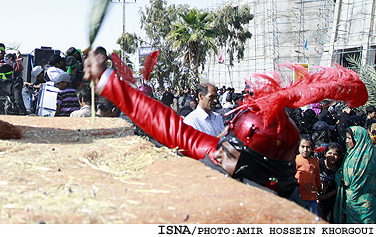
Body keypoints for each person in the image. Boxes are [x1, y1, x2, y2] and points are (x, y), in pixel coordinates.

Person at [83, 51, 368, 203]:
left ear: (258, 171)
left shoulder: (277, 211)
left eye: (230, 150)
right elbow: (168, 125)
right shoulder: (225, 154)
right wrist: (106, 79)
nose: (219, 151)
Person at [334, 126, 376, 223]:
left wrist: (340, 176)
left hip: (354, 201)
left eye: (349, 138)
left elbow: (347, 180)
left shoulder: (356, 157)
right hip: (369, 202)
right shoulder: (372, 152)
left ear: (357, 138)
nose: (347, 141)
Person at [295, 136, 322, 215]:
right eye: (302, 147)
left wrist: (319, 187)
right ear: (298, 147)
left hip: (312, 197)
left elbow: (316, 176)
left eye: (308, 147)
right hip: (299, 197)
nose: (305, 150)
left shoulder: (315, 161)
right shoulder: (295, 160)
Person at [318, 143, 342, 223]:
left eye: (335, 154)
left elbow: (339, 187)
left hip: (332, 199)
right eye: (329, 153)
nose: (332, 156)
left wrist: (325, 196)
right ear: (325, 154)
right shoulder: (319, 163)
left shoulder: (339, 169)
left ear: (339, 157)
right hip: (317, 198)